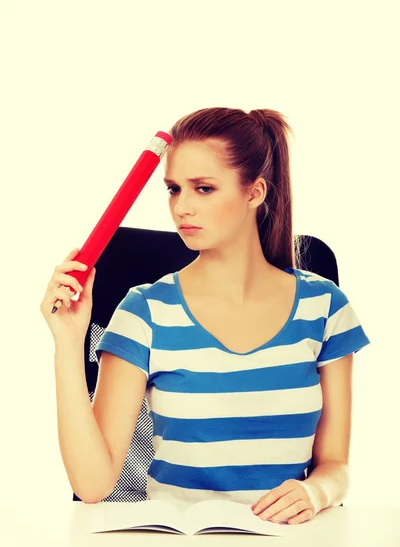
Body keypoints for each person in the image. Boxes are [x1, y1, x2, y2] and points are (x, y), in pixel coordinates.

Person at [40, 107, 370, 524]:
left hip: (285, 536)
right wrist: (68, 343)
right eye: (174, 189)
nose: (182, 208)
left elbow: (335, 463)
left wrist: (315, 490)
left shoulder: (325, 307)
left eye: (204, 189)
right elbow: (93, 485)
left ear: (255, 193)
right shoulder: (144, 311)